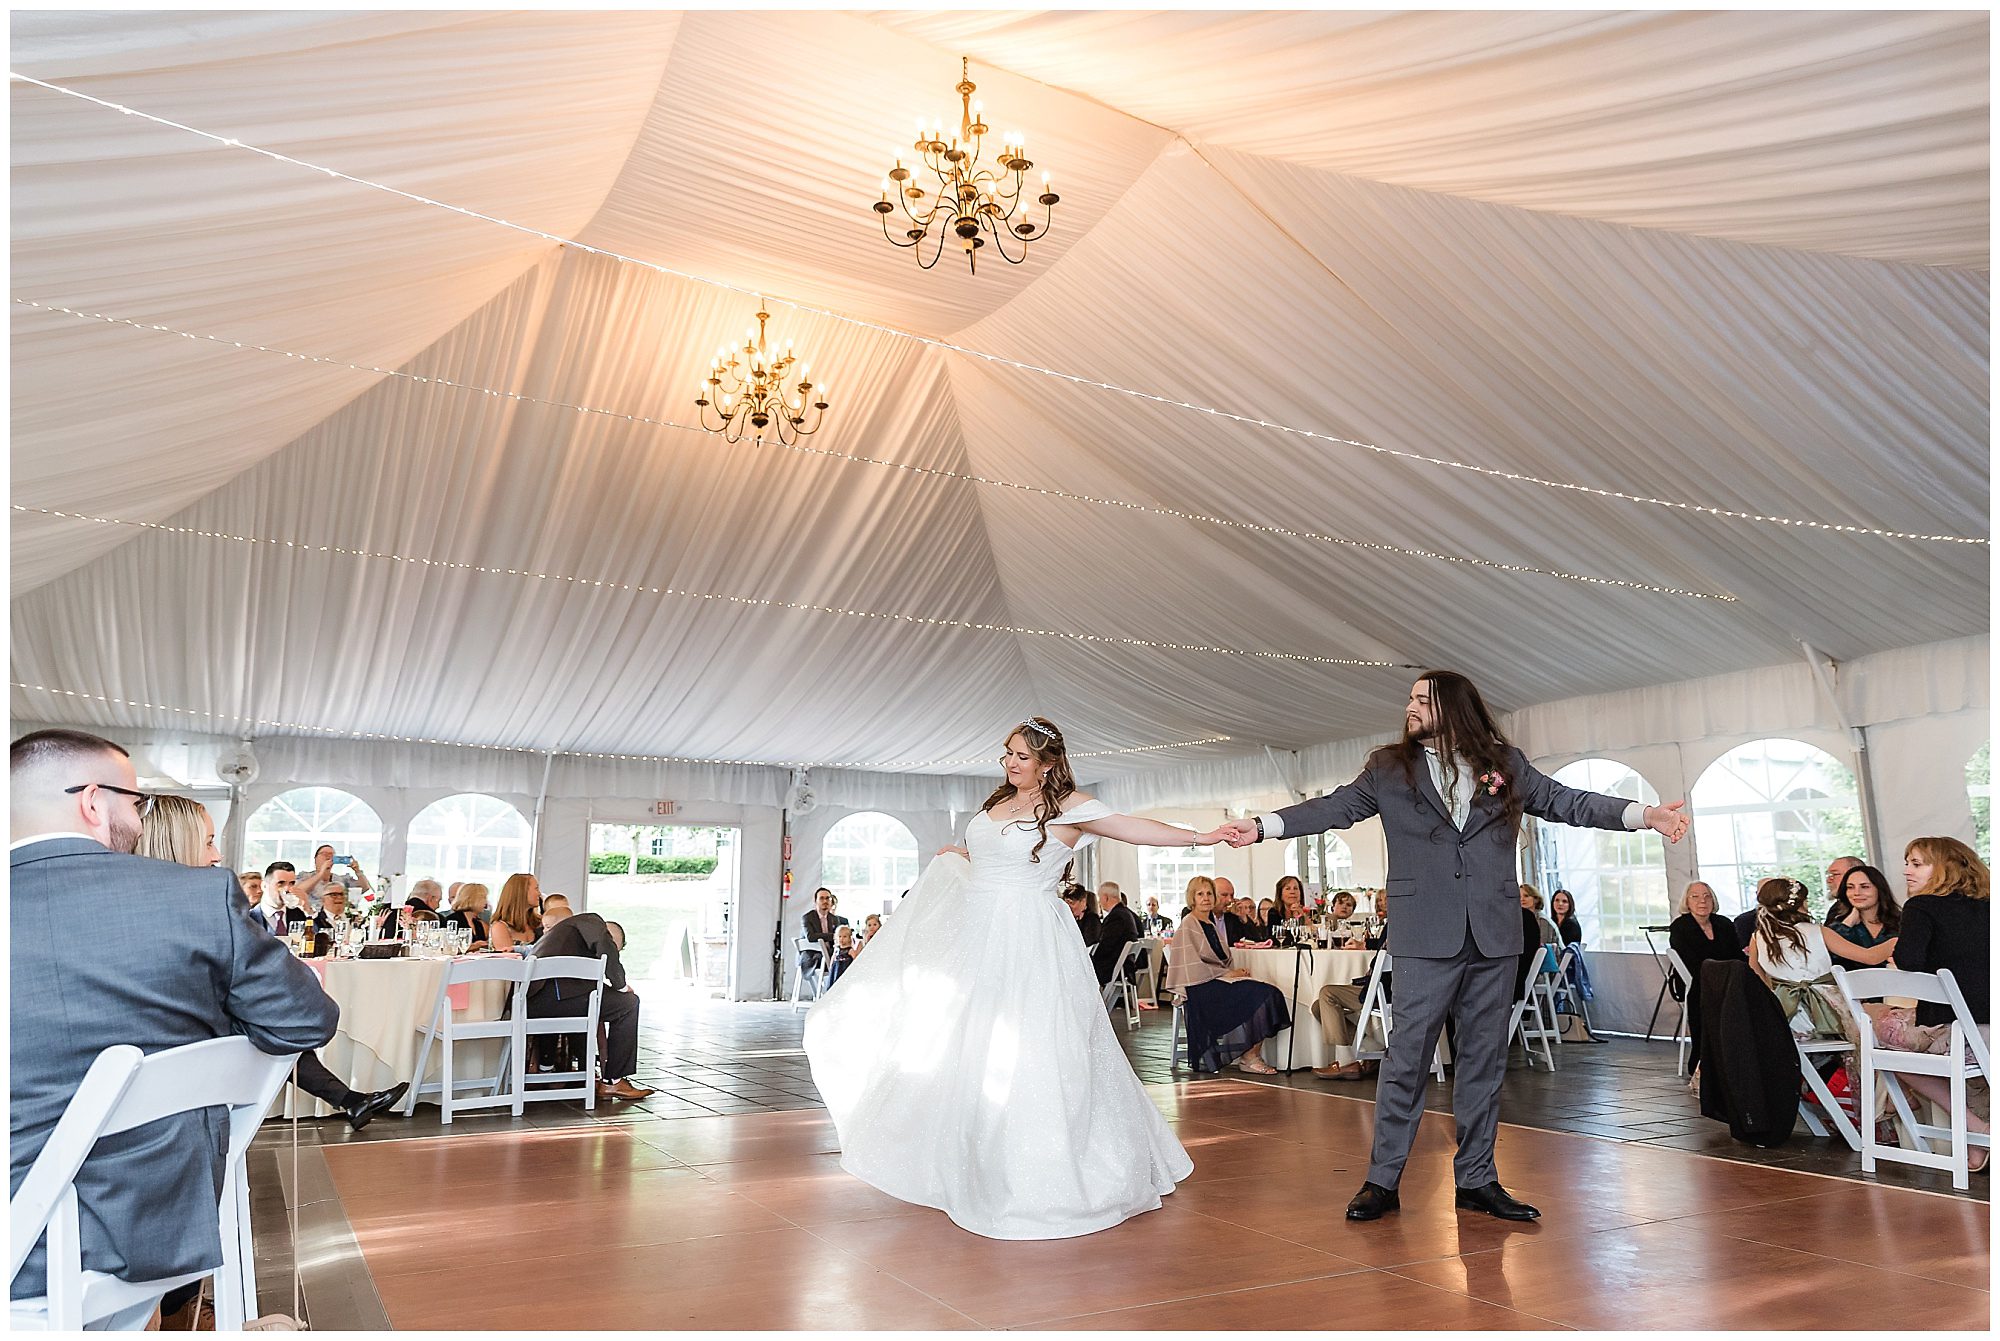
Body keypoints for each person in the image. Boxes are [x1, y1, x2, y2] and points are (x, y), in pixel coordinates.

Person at [1222, 671, 1691, 1223]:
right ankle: (1382, 1181)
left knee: (1484, 1060)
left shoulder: (1506, 764)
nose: (1410, 706)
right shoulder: (1388, 767)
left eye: (1422, 699)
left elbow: (1568, 802)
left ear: (1454, 706)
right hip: (1424, 934)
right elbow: (1334, 807)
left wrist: (1645, 816)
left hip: (1493, 935)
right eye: (1410, 698)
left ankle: (1476, 1179)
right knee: (1407, 1059)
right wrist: (1263, 826)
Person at [804, 717, 1214, 1238]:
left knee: (1035, 1046)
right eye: (1008, 754)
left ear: (1047, 763)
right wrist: (962, 856)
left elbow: (1134, 827)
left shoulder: (1069, 807)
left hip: (1029, 938)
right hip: (978, 936)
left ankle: (1042, 1170)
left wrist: (1201, 837)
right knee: (966, 1044)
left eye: (1022, 756)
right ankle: (971, 1162)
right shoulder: (999, 802)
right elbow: (991, 854)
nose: (1010, 763)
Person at [10, 730, 339, 1324]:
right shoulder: (196, 898)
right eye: (136, 802)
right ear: (93, 801)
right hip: (150, 1229)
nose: (139, 820)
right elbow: (307, 1019)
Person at [138, 795, 408, 1126]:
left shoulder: (123, 902)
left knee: (262, 1024)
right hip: (195, 1068)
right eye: (208, 842)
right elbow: (312, 1016)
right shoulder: (215, 903)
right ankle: (349, 1100)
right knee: (273, 1026)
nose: (217, 855)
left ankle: (350, 1100)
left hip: (135, 1072)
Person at [1879, 836, 1991, 1168]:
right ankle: (1976, 1137)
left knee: (1884, 1047)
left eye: (1916, 864)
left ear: (1944, 867)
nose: (1906, 871)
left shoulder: (1922, 906)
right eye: (1907, 863)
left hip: (1960, 1029)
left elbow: (1909, 961)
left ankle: (1976, 1128)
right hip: (1989, 1029)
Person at [528, 899, 655, 1100]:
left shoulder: (560, 936)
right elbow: (606, 949)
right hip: (557, 996)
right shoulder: (592, 921)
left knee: (596, 1001)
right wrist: (621, 986)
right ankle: (613, 1081)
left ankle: (589, 1071)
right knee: (629, 1003)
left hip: (533, 1003)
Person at [1744, 876, 1895, 1043]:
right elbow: (1870, 957)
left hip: (1788, 1019)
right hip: (1828, 1011)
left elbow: (1756, 978)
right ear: (1800, 905)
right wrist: (1896, 941)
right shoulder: (1816, 931)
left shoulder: (1759, 937)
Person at [1167, 875, 1292, 1074]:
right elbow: (1191, 968)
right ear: (1192, 898)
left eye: (1209, 894)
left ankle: (1250, 1054)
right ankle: (1250, 1057)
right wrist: (1227, 973)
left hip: (1216, 981)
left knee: (1269, 992)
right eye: (1200, 894)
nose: (1206, 898)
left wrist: (1231, 973)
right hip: (1201, 989)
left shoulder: (1208, 923)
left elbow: (1219, 958)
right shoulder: (1189, 924)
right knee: (1264, 994)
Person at [1669, 881, 1744, 1079]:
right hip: (1699, 984)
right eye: (1695, 896)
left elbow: (1737, 955)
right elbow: (1691, 963)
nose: (1702, 901)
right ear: (1687, 901)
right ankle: (1701, 1064)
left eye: (1707, 896)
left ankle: (1738, 1062)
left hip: (1729, 981)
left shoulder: (1724, 924)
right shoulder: (1680, 927)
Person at [1829, 863, 1900, 949]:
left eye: (1865, 887)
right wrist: (1848, 923)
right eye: (1850, 887)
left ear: (1879, 889)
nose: (1856, 893)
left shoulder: (1902, 922)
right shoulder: (1838, 926)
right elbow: (1828, 953)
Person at [1092, 882, 1142, 986]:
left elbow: (1106, 946)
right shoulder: (1125, 913)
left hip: (1113, 969)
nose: (1099, 902)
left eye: (1100, 898)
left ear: (1106, 898)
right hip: (1124, 967)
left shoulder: (1116, 917)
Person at [296, 843, 371, 905]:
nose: (328, 857)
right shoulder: (305, 876)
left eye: (331, 854)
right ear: (315, 859)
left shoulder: (341, 880)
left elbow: (364, 888)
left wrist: (357, 871)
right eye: (324, 854)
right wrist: (321, 873)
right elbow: (297, 891)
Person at [801, 887, 846, 982]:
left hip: (830, 954)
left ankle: (838, 985)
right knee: (842, 961)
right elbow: (811, 937)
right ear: (815, 901)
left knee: (847, 957)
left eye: (827, 898)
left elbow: (838, 939)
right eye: (821, 898)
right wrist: (833, 936)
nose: (825, 901)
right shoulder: (807, 917)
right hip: (813, 956)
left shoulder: (834, 919)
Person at [489, 873, 540, 951]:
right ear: (522, 892)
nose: (539, 893)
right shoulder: (500, 927)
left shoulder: (541, 923)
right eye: (536, 888)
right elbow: (509, 957)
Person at [1819, 854, 1867, 926]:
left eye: (1835, 874)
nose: (1828, 880)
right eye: (1829, 875)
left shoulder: (1868, 906)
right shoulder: (1836, 908)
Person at [441, 881, 491, 945]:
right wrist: (474, 946)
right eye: (483, 898)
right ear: (473, 899)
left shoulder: (478, 924)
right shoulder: (452, 921)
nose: (486, 902)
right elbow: (449, 946)